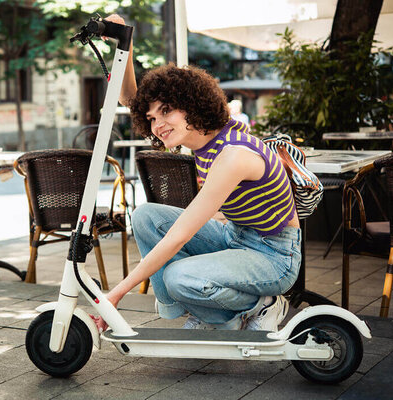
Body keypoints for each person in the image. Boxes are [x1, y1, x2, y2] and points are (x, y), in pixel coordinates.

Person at [93, 14, 302, 332]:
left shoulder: (232, 155)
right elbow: (131, 100)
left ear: (192, 105)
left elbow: (180, 236)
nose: (157, 124)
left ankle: (259, 306)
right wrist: (125, 43)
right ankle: (204, 310)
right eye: (152, 118)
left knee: (179, 277)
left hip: (274, 256)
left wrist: (116, 294)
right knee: (146, 216)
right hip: (236, 236)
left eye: (166, 111)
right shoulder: (205, 136)